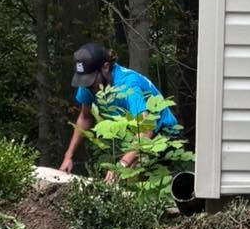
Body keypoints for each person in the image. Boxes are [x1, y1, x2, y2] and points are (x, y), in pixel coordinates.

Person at [60, 42, 180, 174]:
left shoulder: (128, 85)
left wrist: (122, 164)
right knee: (125, 179)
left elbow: (146, 129)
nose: (88, 87)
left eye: (90, 81)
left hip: (162, 132)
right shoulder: (88, 85)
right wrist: (68, 156)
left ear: (105, 67)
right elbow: (85, 117)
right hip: (133, 134)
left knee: (145, 179)